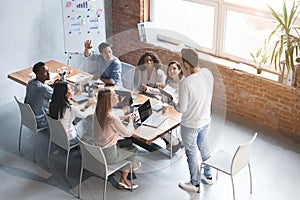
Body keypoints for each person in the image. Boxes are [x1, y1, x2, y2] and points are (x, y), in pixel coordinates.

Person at [172, 48, 214, 192]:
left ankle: (195, 184)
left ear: (186, 64)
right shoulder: (207, 75)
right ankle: (208, 176)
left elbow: (181, 108)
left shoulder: (186, 83)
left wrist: (173, 101)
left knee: (191, 152)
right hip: (205, 120)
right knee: (203, 147)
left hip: (190, 124)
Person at [93, 87, 141, 190]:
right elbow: (127, 133)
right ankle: (123, 181)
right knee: (133, 150)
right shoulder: (112, 118)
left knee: (127, 143)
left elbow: (111, 119)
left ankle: (132, 165)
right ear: (109, 100)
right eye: (114, 95)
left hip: (98, 150)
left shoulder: (97, 113)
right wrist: (131, 121)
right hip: (108, 155)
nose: (117, 96)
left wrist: (124, 118)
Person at [24, 62, 55, 128]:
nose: (49, 73)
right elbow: (58, 96)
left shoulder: (30, 82)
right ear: (38, 74)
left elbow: (44, 88)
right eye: (45, 72)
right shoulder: (43, 89)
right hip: (40, 121)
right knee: (65, 107)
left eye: (48, 71)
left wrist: (52, 85)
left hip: (29, 117)